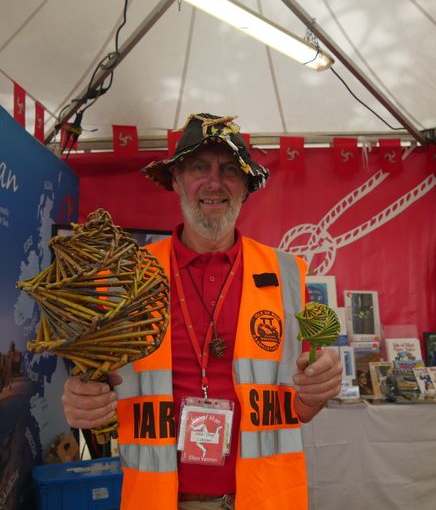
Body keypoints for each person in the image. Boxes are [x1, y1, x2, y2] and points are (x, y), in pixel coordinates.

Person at [61, 113, 342, 510]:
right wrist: (80, 400)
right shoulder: (127, 278)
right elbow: (97, 394)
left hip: (263, 498)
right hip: (158, 501)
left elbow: (300, 407)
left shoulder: (286, 275)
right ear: (175, 180)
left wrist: (320, 386)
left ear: (246, 186)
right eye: (198, 167)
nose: (214, 182)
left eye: (230, 169)